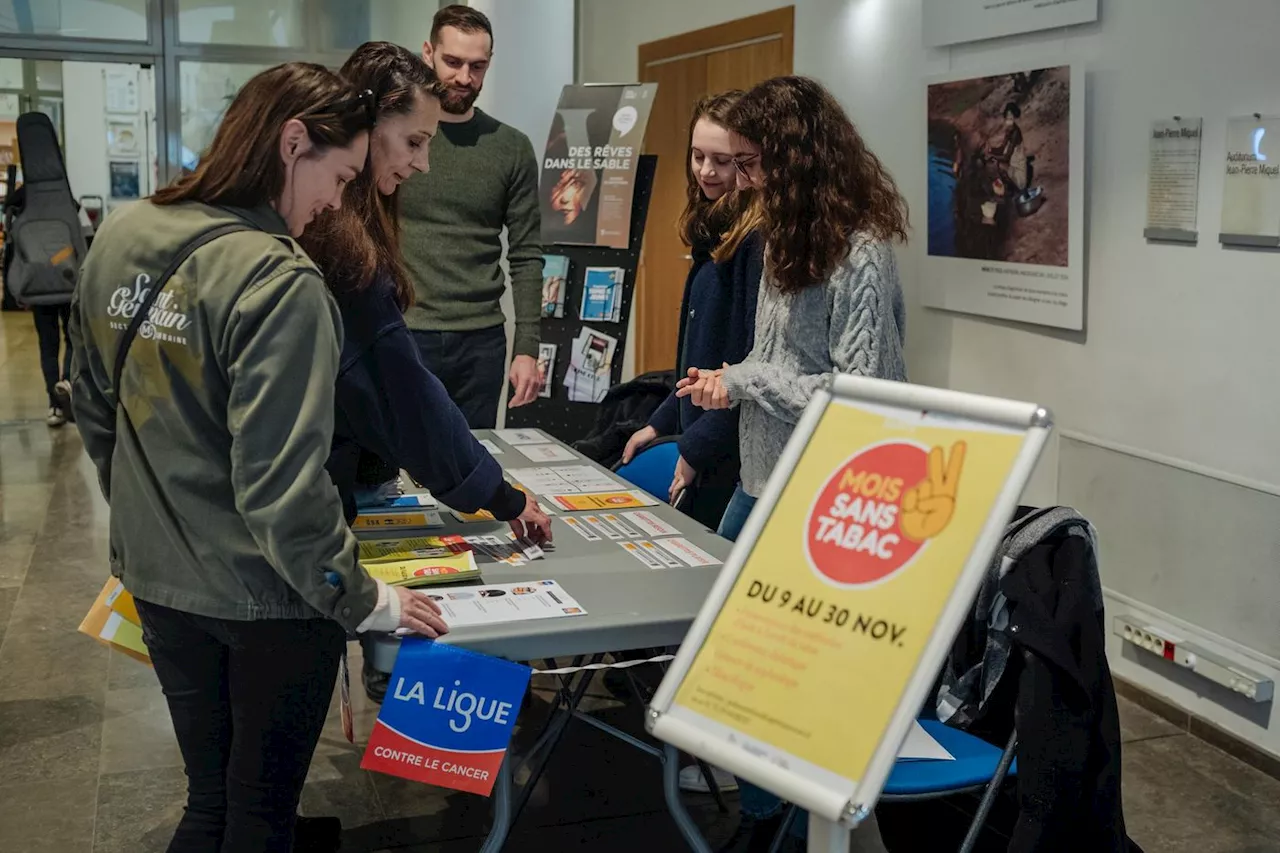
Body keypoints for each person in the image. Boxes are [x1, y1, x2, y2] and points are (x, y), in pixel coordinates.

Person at [68, 62, 449, 853]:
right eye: (341, 176)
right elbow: (284, 489)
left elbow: (94, 405)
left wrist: (150, 511)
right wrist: (366, 599)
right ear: (292, 140)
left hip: (159, 580)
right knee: (258, 817)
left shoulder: (124, 233)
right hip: (268, 602)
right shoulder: (281, 279)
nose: (336, 203)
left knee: (207, 801)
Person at [679, 75, 908, 853]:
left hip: (817, 497)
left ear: (799, 158)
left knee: (774, 679)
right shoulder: (782, 233)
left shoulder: (863, 250)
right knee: (731, 667)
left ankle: (772, 823)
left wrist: (741, 379)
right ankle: (764, 817)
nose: (739, 181)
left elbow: (861, 393)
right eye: (734, 164)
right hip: (758, 477)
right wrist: (731, 381)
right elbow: (779, 361)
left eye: (751, 164)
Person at [299, 42, 552, 702]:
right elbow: (404, 396)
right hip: (293, 515)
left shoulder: (343, 220)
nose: (422, 163)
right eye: (412, 142)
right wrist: (501, 494)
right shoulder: (338, 242)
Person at [620, 90, 763, 531]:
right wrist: (659, 422)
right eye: (697, 156)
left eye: (721, 160)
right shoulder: (713, 227)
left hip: (729, 452)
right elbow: (695, 360)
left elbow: (749, 365)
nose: (705, 170)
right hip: (700, 437)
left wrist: (694, 449)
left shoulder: (756, 241)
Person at [399, 4, 543, 428]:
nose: (465, 77)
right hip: (405, 330)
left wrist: (527, 346)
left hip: (481, 340)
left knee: (473, 461)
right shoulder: (397, 138)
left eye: (477, 66)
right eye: (453, 62)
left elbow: (527, 253)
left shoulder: (510, 147)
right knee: (395, 466)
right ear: (428, 52)